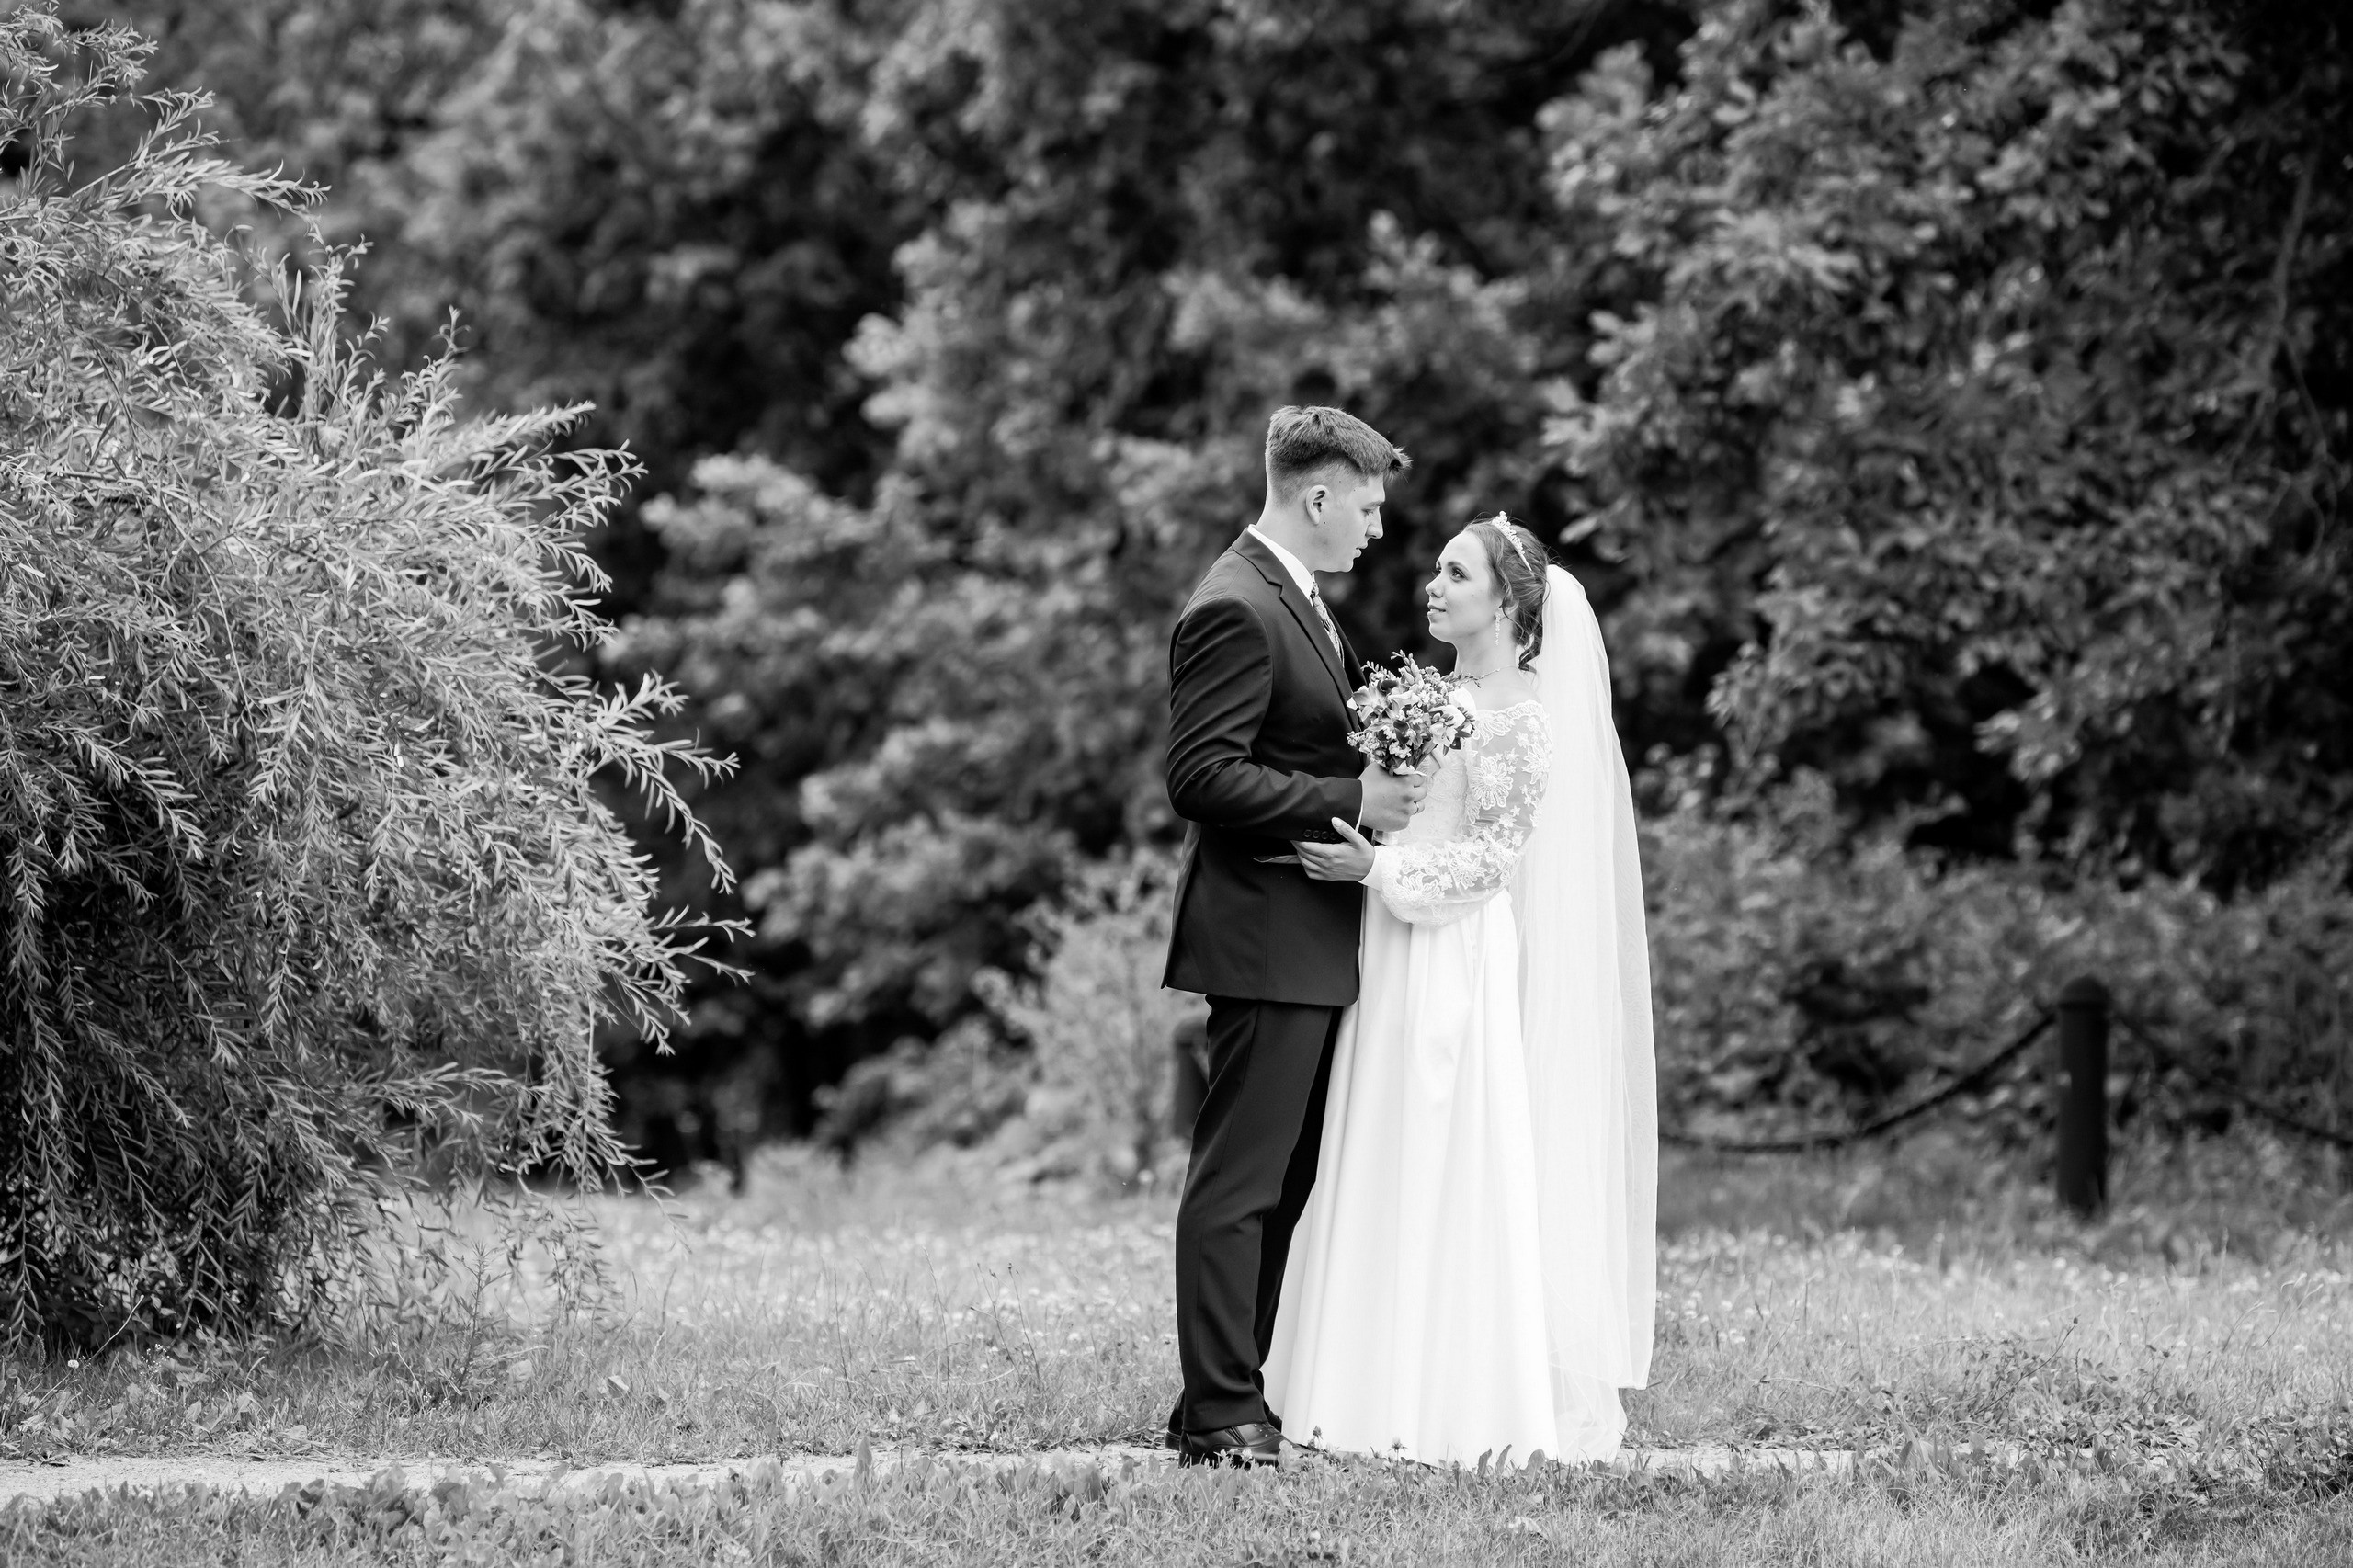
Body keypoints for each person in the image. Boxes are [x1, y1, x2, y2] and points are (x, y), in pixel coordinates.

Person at [1267, 514, 1658, 1468]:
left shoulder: (1522, 718)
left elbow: (1490, 860)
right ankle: (1347, 1385)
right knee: (1373, 1145)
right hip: (1385, 944)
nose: (1432, 587)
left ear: (1508, 602)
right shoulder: (1431, 695)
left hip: (1450, 955)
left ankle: (1446, 1397)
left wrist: (1378, 870)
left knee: (1441, 1154)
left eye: (1455, 574)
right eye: (1436, 572)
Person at [1160, 405, 1421, 1467]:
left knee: (1285, 1179)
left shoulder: (1296, 597)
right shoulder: (1234, 605)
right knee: (1241, 1181)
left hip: (1307, 933)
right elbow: (1201, 775)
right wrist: (1351, 798)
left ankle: (1231, 1391)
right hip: (1263, 931)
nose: (1375, 529)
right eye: (1367, 507)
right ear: (1316, 497)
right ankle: (1220, 1411)